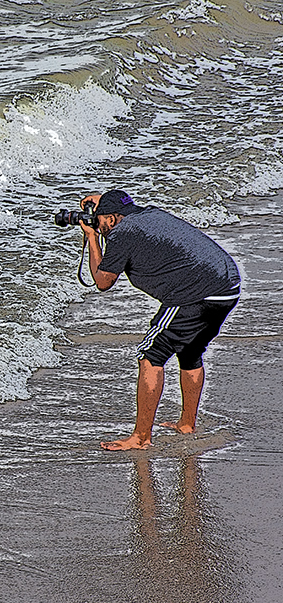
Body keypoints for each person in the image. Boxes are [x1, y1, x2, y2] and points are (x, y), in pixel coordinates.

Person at [79, 189, 240, 451]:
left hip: (196, 293)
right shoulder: (149, 213)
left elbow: (103, 280)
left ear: (111, 217)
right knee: (190, 352)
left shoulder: (122, 233)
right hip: (228, 285)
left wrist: (92, 237)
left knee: (151, 354)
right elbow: (116, 212)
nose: (98, 224)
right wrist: (101, 203)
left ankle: (141, 438)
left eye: (101, 219)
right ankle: (187, 424)